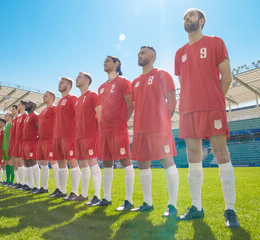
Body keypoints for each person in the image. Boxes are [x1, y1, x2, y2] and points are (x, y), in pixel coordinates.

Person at [174, 8, 239, 228]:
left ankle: (230, 210)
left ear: (201, 21)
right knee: (193, 155)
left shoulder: (215, 42)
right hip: (188, 110)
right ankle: (196, 207)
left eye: (190, 16)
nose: (186, 19)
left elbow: (227, 77)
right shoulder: (179, 52)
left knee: (221, 153)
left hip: (212, 107)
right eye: (184, 17)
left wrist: (214, 100)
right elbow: (183, 84)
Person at [131, 46, 179, 218]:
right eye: (138, 53)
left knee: (168, 163)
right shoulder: (135, 81)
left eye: (143, 52)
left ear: (153, 56)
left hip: (158, 129)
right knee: (143, 166)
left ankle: (172, 205)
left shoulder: (162, 74)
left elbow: (172, 102)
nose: (139, 54)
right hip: (140, 130)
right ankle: (147, 202)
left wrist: (163, 123)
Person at [97, 56, 135, 210]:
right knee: (106, 163)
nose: (104, 62)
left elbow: (130, 105)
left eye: (107, 60)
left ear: (116, 64)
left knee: (125, 161)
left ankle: (129, 200)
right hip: (104, 130)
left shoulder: (124, 82)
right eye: (104, 60)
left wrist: (122, 122)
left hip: (118, 128)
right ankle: (106, 197)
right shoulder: (101, 87)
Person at [70, 72, 102, 205]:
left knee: (93, 164)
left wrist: (99, 133)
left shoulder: (93, 95)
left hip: (90, 136)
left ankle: (97, 196)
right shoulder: (78, 100)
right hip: (79, 137)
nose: (76, 79)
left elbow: (100, 114)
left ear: (87, 80)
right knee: (83, 165)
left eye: (79, 77)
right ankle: (83, 194)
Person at [50, 77, 79, 199]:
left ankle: (75, 192)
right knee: (61, 163)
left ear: (69, 86)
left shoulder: (73, 98)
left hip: (69, 135)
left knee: (72, 162)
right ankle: (62, 190)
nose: (59, 84)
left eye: (62, 83)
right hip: (58, 136)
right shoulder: (59, 103)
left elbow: (79, 115)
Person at [37, 91, 59, 195]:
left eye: (46, 95)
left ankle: (59, 188)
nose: (43, 97)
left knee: (53, 162)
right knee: (43, 163)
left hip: (50, 139)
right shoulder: (42, 111)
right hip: (41, 140)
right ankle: (44, 187)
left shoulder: (54, 109)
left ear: (52, 98)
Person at [21, 100, 41, 193]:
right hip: (25, 143)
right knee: (27, 163)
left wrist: (37, 139)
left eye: (29, 104)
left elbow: (39, 129)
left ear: (33, 106)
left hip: (32, 142)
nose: (26, 105)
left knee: (33, 162)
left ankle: (37, 186)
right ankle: (30, 185)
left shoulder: (35, 115)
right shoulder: (27, 117)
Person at [12, 101, 28, 189]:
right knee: (18, 163)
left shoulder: (26, 116)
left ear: (23, 106)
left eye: (18, 105)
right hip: (17, 143)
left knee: (22, 162)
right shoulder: (18, 118)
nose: (17, 106)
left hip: (22, 142)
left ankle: (24, 182)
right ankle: (20, 182)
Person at [2, 111, 15, 186]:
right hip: (5, 147)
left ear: (10, 117)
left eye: (6, 115)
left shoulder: (11, 125)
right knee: (6, 163)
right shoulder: (6, 126)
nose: (5, 116)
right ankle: (7, 179)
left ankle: (11, 181)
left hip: (9, 147)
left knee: (10, 163)